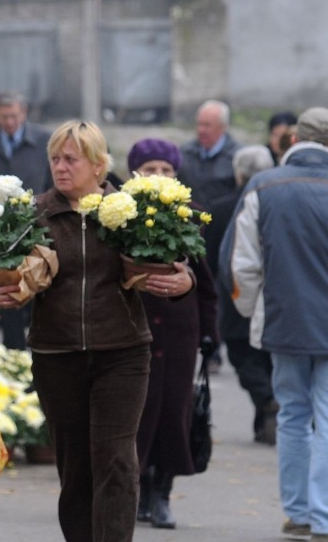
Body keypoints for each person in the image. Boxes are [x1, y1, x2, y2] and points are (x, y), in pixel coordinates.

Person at [0, 120, 194, 542]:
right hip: (56, 354)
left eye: (70, 159)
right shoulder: (33, 213)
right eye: (55, 159)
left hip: (123, 353)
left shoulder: (134, 211)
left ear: (99, 166)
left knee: (116, 459)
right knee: (76, 464)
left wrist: (184, 282)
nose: (60, 167)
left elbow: (179, 261)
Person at [220, 106, 328, 542]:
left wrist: (253, 311)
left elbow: (240, 265)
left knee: (292, 415)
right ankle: (323, 515)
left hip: (284, 319)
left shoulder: (264, 185)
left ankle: (299, 512)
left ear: (292, 139)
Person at [125, 139, 219, 529]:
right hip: (135, 327)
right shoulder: (122, 217)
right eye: (150, 170)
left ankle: (162, 493)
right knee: (138, 413)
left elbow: (207, 283)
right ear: (135, 175)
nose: (159, 177)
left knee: (174, 412)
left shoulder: (192, 216)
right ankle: (139, 487)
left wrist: (210, 335)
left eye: (166, 170)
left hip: (180, 330)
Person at [204, 145, 277, 445]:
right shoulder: (276, 203)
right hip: (274, 296)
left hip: (233, 296)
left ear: (238, 173)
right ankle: (266, 416)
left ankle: (268, 404)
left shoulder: (221, 208)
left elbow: (207, 259)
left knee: (244, 357)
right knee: (268, 359)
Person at [0, 91, 52, 351]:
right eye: (5, 117)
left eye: (14, 116)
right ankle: (13, 355)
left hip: (35, 225)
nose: (10, 122)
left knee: (40, 287)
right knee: (8, 290)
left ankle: (41, 351)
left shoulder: (43, 141)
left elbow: (51, 182)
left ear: (24, 113)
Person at [178, 99, 241, 372]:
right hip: (191, 232)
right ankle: (200, 341)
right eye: (199, 124)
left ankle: (215, 346)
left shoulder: (236, 155)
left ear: (223, 128)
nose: (202, 130)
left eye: (208, 125)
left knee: (218, 289)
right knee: (195, 286)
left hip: (224, 234)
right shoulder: (186, 153)